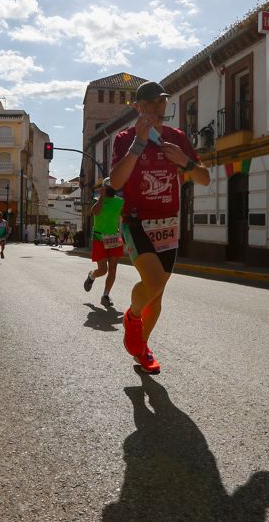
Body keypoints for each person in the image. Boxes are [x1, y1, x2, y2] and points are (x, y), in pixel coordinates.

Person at [110, 81, 210, 373]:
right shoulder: (124, 138)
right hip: (136, 221)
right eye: (151, 103)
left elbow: (204, 178)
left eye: (161, 102)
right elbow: (115, 182)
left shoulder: (176, 137)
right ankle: (132, 316)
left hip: (168, 223)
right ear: (137, 107)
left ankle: (141, 348)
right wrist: (138, 144)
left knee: (157, 292)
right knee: (152, 283)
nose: (157, 107)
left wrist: (185, 161)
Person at [83, 178, 124, 309]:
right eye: (108, 188)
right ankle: (92, 276)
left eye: (113, 187)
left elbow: (125, 217)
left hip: (114, 238)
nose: (111, 190)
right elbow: (94, 212)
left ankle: (105, 295)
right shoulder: (97, 200)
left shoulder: (120, 202)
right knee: (103, 270)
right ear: (104, 188)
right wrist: (101, 198)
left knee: (113, 268)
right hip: (99, 237)